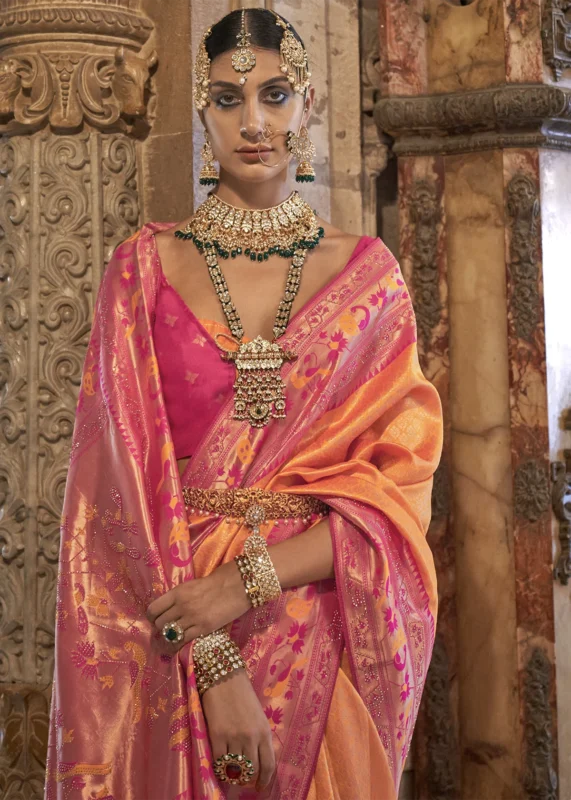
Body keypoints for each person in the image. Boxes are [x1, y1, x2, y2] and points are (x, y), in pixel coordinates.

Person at [45, 9, 443, 800]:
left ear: (310, 107)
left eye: (275, 94)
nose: (253, 122)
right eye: (226, 99)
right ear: (200, 112)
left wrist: (243, 583)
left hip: (319, 626)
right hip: (174, 631)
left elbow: (393, 499)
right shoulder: (143, 271)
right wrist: (212, 652)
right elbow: (113, 505)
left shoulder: (368, 278)